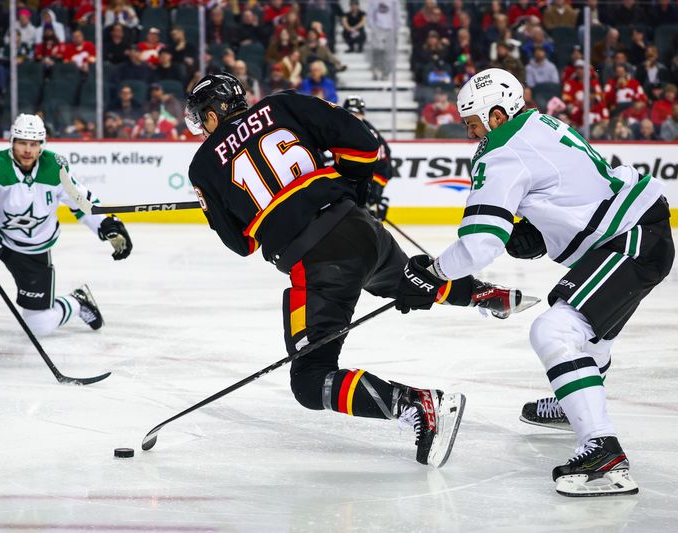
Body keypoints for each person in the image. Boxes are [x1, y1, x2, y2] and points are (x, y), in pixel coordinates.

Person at [183, 73, 537, 467]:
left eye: (202, 117)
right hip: (357, 226)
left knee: (310, 379)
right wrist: (348, 188)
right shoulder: (282, 105)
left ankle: (418, 406)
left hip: (316, 261)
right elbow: (365, 145)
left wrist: (226, 208)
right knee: (410, 280)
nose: (202, 126)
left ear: (213, 114)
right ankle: (483, 294)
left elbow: (242, 244)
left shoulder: (203, 166)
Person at [403, 68, 672, 496]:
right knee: (590, 339)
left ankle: (604, 454)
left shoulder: (501, 148)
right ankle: (576, 406)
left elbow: (479, 245)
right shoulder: (540, 122)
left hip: (628, 241)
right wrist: (540, 230)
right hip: (637, 233)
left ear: (495, 115)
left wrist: (433, 272)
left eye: (473, 124)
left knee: (555, 330)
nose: (473, 135)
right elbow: (568, 187)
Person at [0, 114, 133, 344]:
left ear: (41, 146)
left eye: (33, 144)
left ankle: (77, 302)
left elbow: (82, 202)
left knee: (39, 324)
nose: (27, 150)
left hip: (32, 249)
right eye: (22, 142)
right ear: (12, 141)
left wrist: (106, 223)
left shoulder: (55, 167)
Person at [342, 95, 392, 222]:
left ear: (363, 115)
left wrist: (375, 189)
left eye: (357, 113)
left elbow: (384, 166)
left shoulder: (370, 135)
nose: (353, 116)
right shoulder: (334, 130)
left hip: (362, 183)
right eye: (349, 113)